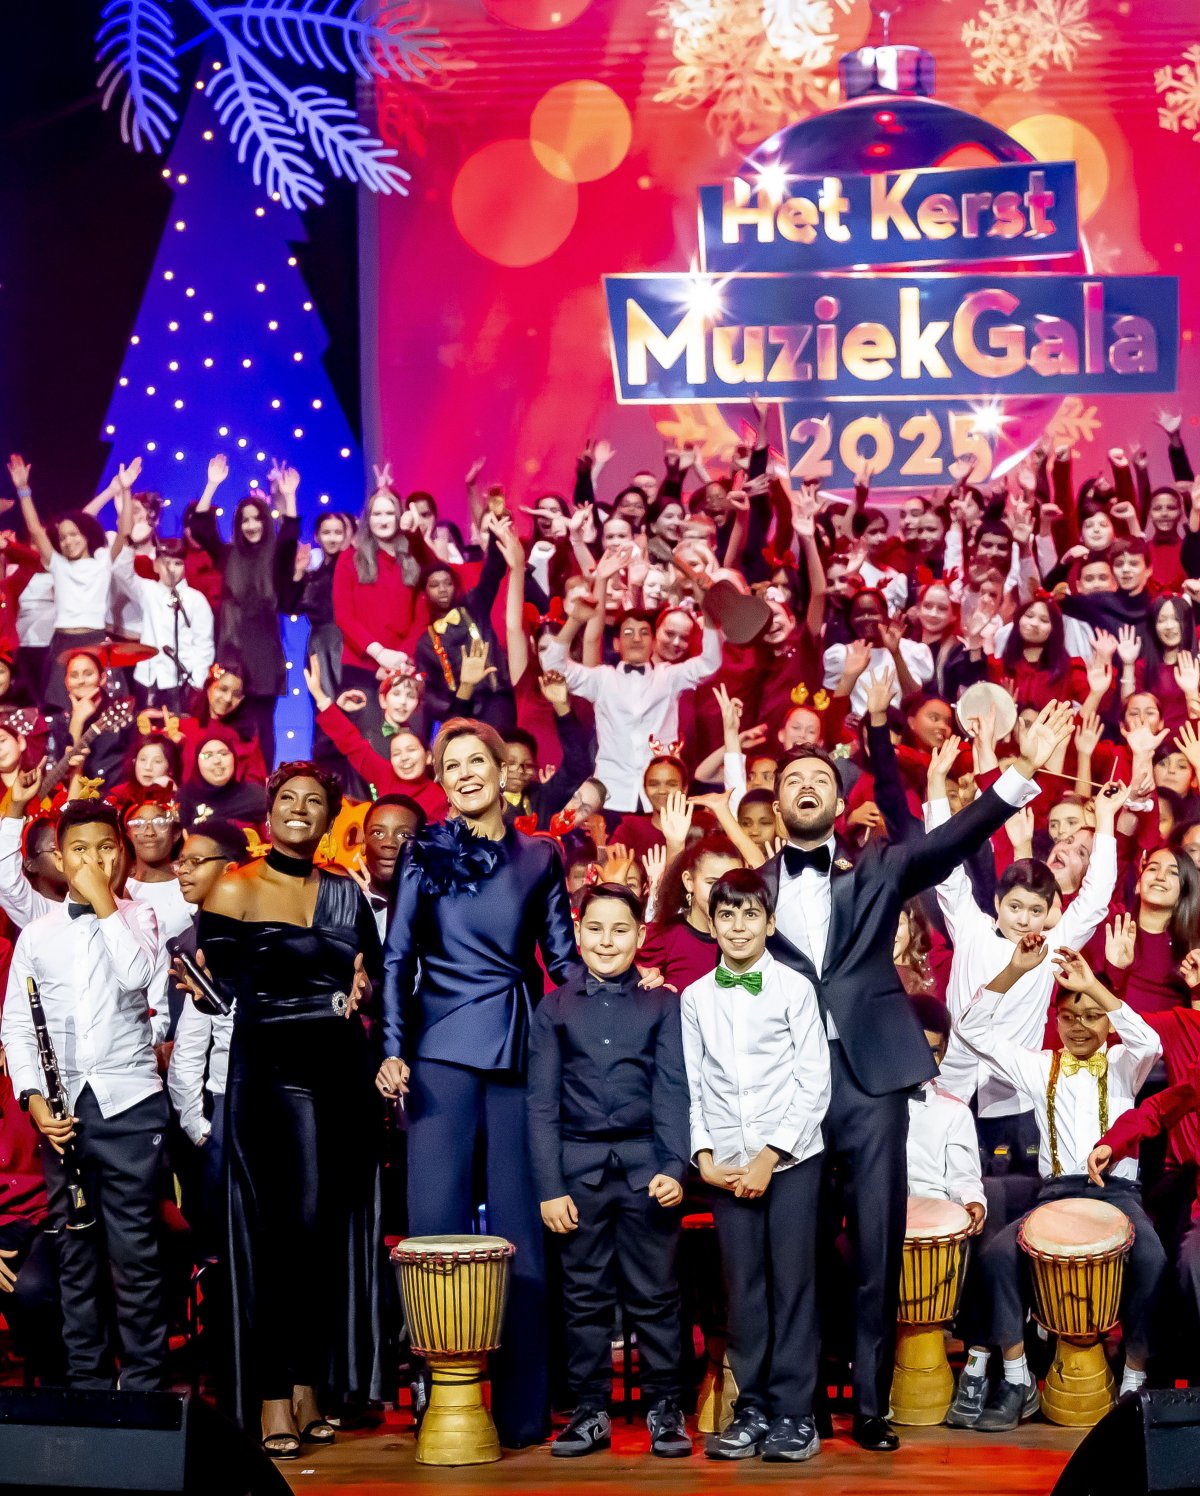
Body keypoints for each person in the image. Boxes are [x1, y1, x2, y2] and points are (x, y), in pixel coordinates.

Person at [759, 701, 1071, 1451]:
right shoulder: (752, 888)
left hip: (872, 1078)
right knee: (797, 1253)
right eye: (792, 779)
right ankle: (801, 1405)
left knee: (877, 1246)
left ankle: (872, 1407)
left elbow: (949, 841)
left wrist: (1019, 773)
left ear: (839, 803)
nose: (807, 786)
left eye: (819, 777)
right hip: (789, 1084)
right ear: (775, 804)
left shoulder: (876, 868)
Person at [377, 717, 580, 1450]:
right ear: (441, 781)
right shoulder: (421, 851)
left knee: (523, 1232)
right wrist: (392, 1051)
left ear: (503, 771)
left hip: (520, 1051)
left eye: (476, 760)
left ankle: (525, 1412)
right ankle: (443, 1398)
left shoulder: (541, 855)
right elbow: (397, 960)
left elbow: (563, 959)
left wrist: (615, 992)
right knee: (436, 1230)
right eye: (451, 765)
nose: (464, 773)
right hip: (438, 1055)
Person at [193, 763, 381, 1455]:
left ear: (330, 817)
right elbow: (217, 984)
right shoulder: (233, 884)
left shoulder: (345, 891)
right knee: (281, 1237)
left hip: (342, 1073)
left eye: (315, 802)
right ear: (269, 811)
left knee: (325, 1236)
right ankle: (272, 1397)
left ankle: (307, 1387)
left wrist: (363, 990)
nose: (300, 809)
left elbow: (375, 974)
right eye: (288, 799)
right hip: (272, 1075)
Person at [956, 943, 1166, 1428]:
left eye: (1092, 1016)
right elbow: (970, 1030)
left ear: (1108, 1022)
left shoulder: (1124, 1062)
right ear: (1056, 1021)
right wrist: (1014, 970)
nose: (1080, 1026)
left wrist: (1091, 985)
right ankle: (1017, 1378)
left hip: (1118, 1197)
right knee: (997, 1255)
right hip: (1057, 1196)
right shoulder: (1039, 1065)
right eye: (1070, 1016)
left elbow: (1151, 1042)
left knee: (1153, 1258)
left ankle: (1134, 1377)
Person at [0, 800, 169, 1390]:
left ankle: (144, 1385)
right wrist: (33, 1099)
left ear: (120, 853)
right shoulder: (38, 934)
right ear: (59, 857)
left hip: (130, 1105)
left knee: (135, 1254)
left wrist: (103, 902)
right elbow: (17, 1026)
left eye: (104, 848)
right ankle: (88, 1386)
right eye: (79, 850)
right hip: (64, 1111)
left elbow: (136, 975)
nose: (93, 860)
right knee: (75, 1254)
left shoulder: (141, 918)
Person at [526, 882, 691, 1459]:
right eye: (595, 929)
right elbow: (541, 1104)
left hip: (647, 1172)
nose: (606, 941)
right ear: (577, 933)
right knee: (583, 1297)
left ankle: (665, 1407)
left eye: (620, 930)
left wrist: (675, 1166)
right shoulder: (554, 1007)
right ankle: (590, 1410)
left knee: (656, 1294)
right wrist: (549, 1187)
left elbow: (673, 1090)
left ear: (640, 936)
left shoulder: (662, 1004)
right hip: (578, 1175)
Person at [681, 868, 830, 1463]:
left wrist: (770, 1157)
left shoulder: (795, 989)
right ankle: (754, 1409)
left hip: (790, 1161)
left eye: (750, 915)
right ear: (711, 923)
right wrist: (704, 1158)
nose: (738, 926)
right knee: (743, 1291)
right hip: (726, 1167)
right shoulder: (695, 998)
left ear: (770, 924)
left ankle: (795, 1414)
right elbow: (693, 1087)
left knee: (793, 1287)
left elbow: (814, 1082)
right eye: (727, 915)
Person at [542, 607, 722, 814]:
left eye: (644, 633)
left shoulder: (669, 677)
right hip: (611, 795)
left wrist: (709, 611)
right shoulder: (602, 679)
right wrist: (574, 620)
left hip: (661, 797)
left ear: (653, 642)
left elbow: (710, 663)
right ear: (616, 643)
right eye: (628, 632)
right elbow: (553, 665)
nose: (636, 638)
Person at [188, 455, 301, 765]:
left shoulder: (274, 556)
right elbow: (201, 527)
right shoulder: (227, 556)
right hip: (231, 655)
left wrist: (290, 497)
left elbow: (289, 538)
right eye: (245, 520)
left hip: (265, 660)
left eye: (257, 519)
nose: (251, 525)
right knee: (225, 729)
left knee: (262, 733)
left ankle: (263, 785)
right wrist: (211, 484)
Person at [129, 536, 216, 712]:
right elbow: (122, 573)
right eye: (166, 563)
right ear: (155, 565)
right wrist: (127, 537)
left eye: (178, 563)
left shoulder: (196, 600)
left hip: (180, 682)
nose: (171, 569)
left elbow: (204, 644)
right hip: (147, 678)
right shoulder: (146, 590)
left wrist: (196, 683)